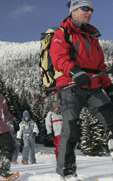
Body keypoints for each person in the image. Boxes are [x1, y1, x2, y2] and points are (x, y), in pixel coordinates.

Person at [50, 0, 113, 180]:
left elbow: (99, 66)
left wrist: (108, 86)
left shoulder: (92, 37)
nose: (90, 12)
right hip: (71, 87)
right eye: (85, 8)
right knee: (71, 129)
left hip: (93, 87)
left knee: (111, 115)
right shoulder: (62, 33)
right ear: (74, 10)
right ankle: (67, 172)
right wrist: (74, 71)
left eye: (91, 9)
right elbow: (58, 57)